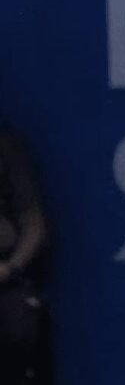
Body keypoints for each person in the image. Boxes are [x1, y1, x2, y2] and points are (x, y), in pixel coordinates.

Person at [0, 125, 51, 382]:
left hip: (5, 281)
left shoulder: (5, 146)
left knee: (20, 326)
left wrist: (11, 267)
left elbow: (32, 221)